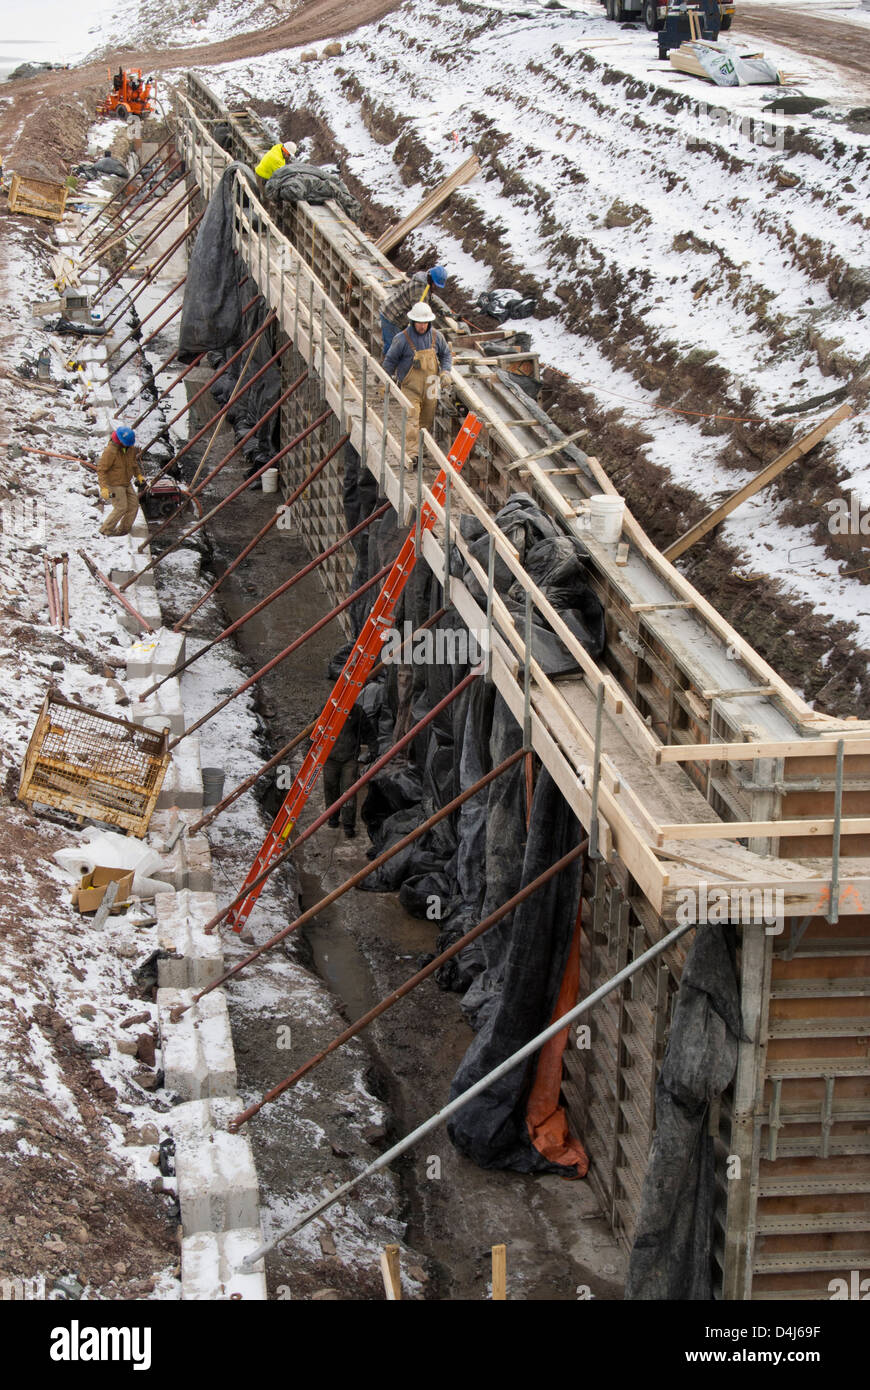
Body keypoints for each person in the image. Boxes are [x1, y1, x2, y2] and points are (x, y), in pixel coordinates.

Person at [382, 302, 452, 463]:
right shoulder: (402, 339)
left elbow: (446, 355)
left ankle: (422, 449)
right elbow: (390, 361)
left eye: (425, 322)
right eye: (419, 323)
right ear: (413, 322)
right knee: (411, 419)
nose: (422, 326)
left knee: (426, 421)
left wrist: (446, 372)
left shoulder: (436, 337)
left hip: (432, 386)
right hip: (410, 387)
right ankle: (411, 454)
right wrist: (384, 382)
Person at [380, 264, 447, 354]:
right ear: (431, 280)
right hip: (392, 316)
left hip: (396, 313)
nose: (436, 288)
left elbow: (429, 299)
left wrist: (440, 309)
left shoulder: (424, 282)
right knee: (392, 347)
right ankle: (386, 367)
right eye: (435, 285)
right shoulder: (419, 290)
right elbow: (420, 315)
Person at [322, 701, 364, 839]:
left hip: (349, 758)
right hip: (330, 757)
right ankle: (332, 817)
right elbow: (315, 730)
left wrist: (374, 747)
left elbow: (367, 729)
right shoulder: (326, 709)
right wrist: (308, 752)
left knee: (349, 792)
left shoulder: (357, 711)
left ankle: (348, 824)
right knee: (330, 788)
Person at [97, 426, 144, 536]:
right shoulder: (110, 451)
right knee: (121, 507)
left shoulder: (129, 448)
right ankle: (105, 530)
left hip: (126, 482)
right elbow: (101, 470)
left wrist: (139, 476)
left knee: (133, 506)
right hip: (114, 484)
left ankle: (123, 530)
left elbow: (133, 463)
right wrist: (104, 488)